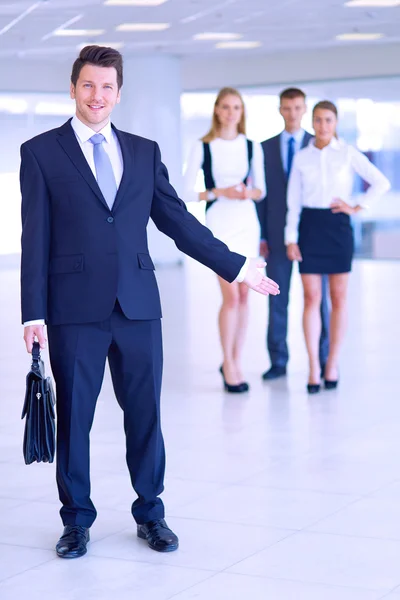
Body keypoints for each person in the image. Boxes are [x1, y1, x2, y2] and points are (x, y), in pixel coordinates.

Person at [20, 46, 280, 559]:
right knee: (75, 420)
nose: (98, 96)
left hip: (139, 307)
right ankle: (76, 522)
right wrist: (33, 312)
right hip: (74, 310)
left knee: (145, 415)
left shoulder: (143, 151)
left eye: (108, 87)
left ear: (120, 92)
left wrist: (238, 266)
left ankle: (151, 513)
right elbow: (35, 239)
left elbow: (178, 222)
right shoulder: (41, 152)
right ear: (73, 89)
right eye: (89, 85)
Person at [285, 100, 390, 393]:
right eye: (318, 120)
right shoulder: (302, 157)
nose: (322, 126)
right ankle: (313, 367)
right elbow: (293, 201)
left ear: (336, 123)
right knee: (310, 299)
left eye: (328, 120)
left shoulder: (347, 154)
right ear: (312, 122)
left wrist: (358, 206)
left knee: (339, 299)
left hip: (337, 227)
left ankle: (332, 362)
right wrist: (290, 237)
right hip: (309, 227)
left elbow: (380, 182)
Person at [183, 87, 265, 393]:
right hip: (220, 225)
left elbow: (262, 190)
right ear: (217, 110)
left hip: (247, 223)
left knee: (245, 297)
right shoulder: (203, 146)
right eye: (226, 107)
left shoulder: (251, 146)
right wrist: (220, 192)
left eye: (237, 108)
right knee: (231, 296)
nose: (231, 113)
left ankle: (235, 358)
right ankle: (228, 362)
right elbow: (184, 192)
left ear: (242, 113)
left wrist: (246, 193)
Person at [257, 87, 330, 381]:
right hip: (275, 235)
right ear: (280, 110)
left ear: (305, 110)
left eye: (298, 108)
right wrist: (262, 235)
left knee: (318, 299)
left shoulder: (319, 145)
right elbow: (261, 197)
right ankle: (278, 360)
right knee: (277, 298)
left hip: (313, 234)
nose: (292, 113)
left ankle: (322, 358)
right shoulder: (265, 147)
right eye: (287, 108)